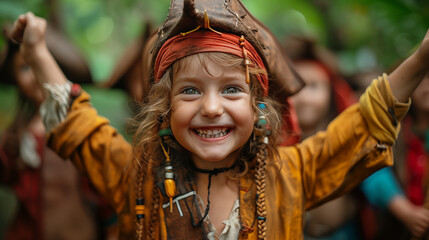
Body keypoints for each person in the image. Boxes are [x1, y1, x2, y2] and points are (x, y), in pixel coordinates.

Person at [8, 0, 429, 238]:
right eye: (190, 91)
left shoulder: (288, 175)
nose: (211, 107)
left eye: (231, 89)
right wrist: (38, 52)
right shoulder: (138, 175)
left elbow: (359, 129)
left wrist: (422, 57)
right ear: (164, 108)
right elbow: (80, 128)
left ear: (259, 106)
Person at [0, 25, 118, 240]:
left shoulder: (83, 128)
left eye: (41, 65)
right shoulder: (16, 137)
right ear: (15, 78)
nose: (35, 75)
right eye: (25, 68)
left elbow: (105, 184)